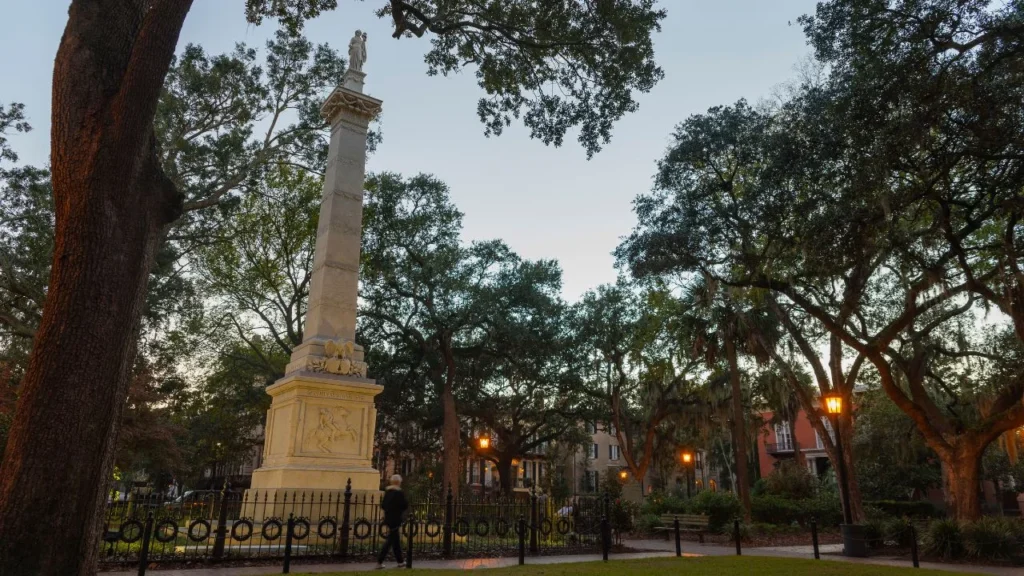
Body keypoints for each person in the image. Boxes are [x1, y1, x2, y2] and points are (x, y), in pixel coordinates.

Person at [376, 474, 409, 569]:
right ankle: (379, 561)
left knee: (395, 541)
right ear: (399, 483)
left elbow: (383, 505)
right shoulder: (399, 493)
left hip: (388, 518)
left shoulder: (388, 491)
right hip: (396, 519)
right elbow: (404, 505)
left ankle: (400, 561)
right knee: (390, 541)